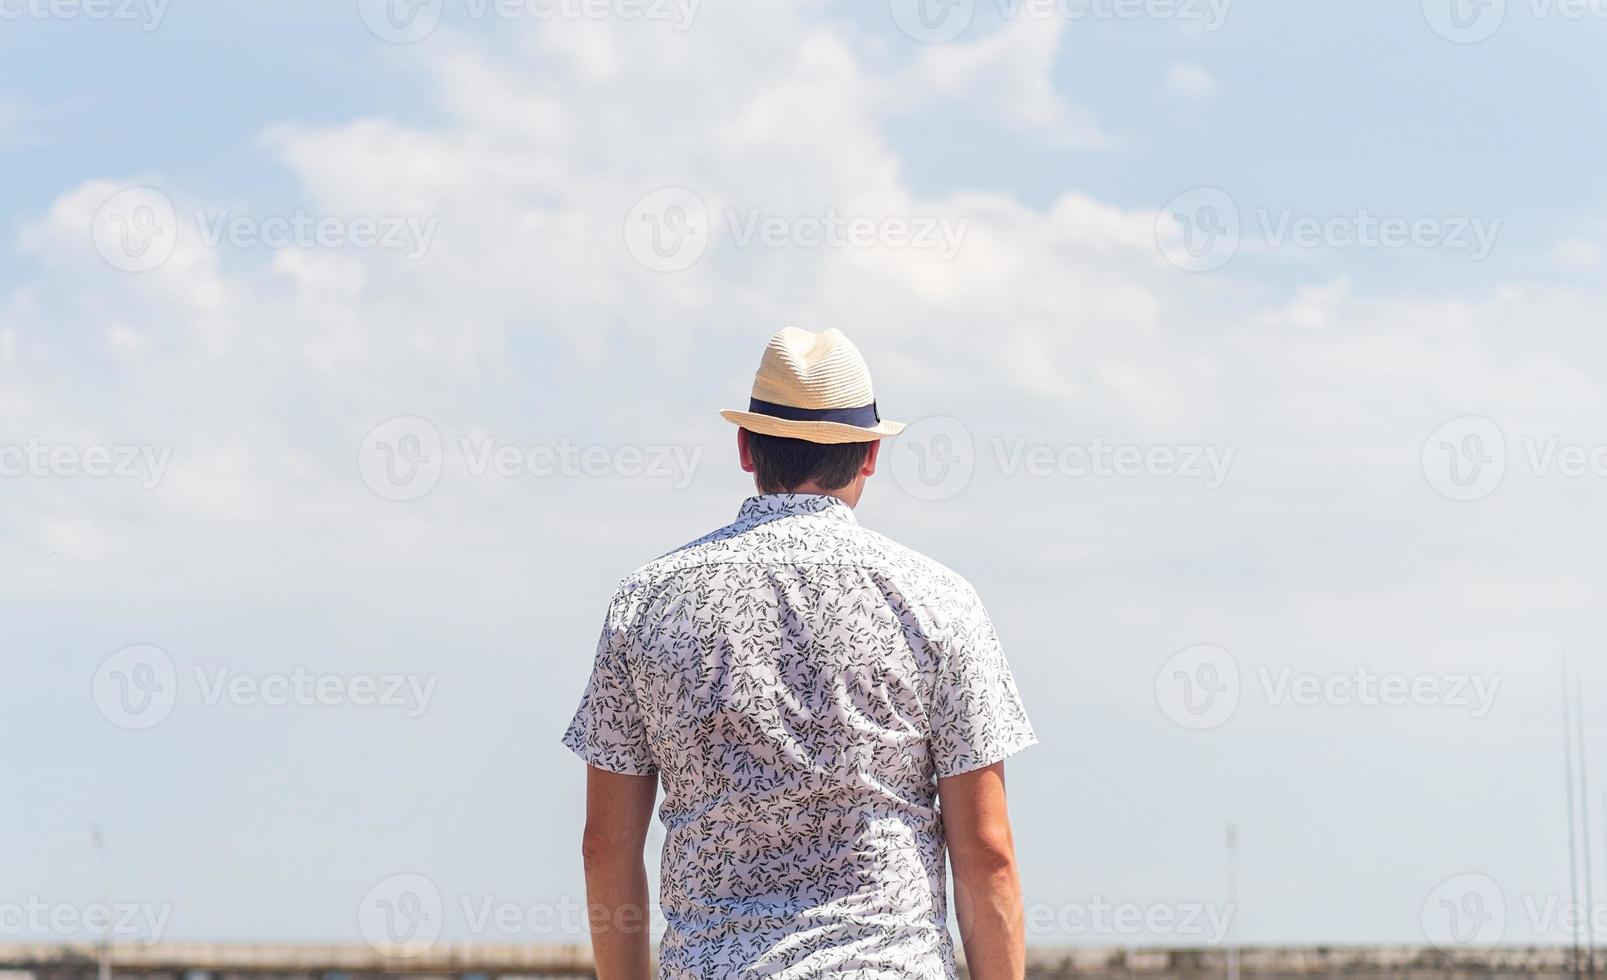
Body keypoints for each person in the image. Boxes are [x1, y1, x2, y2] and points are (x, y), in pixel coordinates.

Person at [562, 326, 1036, 979]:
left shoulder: (647, 603)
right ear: (869, 454)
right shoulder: (937, 603)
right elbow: (986, 851)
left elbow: (604, 847)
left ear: (745, 448)